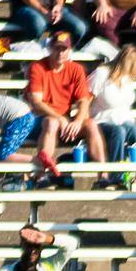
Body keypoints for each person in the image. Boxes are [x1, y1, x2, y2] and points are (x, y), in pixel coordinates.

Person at [25, 30, 108, 180]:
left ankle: (103, 175)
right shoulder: (37, 67)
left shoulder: (76, 69)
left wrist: (77, 121)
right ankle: (41, 174)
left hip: (64, 119)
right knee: (51, 122)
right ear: (50, 48)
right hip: (40, 119)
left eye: (64, 49)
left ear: (69, 51)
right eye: (57, 48)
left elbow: (83, 100)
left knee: (90, 123)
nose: (60, 53)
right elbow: (36, 102)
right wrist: (60, 118)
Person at [89, 44, 136, 171]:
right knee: (119, 132)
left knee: (133, 128)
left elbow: (125, 109)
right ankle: (116, 174)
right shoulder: (101, 75)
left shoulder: (126, 79)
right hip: (101, 121)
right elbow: (85, 100)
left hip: (122, 121)